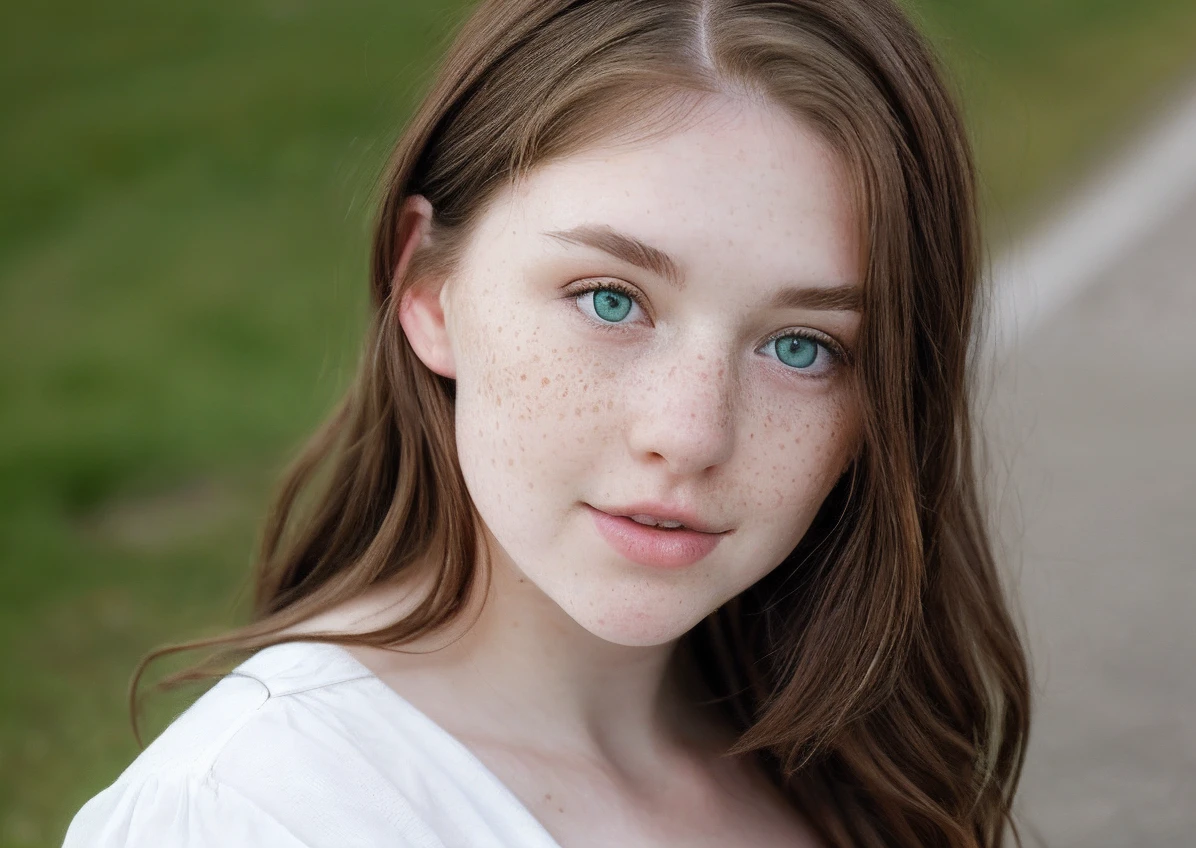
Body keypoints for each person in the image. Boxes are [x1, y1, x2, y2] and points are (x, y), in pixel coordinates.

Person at [63, 0, 1032, 845]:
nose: (691, 433)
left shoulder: (854, 768)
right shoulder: (259, 812)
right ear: (428, 288)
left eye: (803, 347)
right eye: (610, 299)